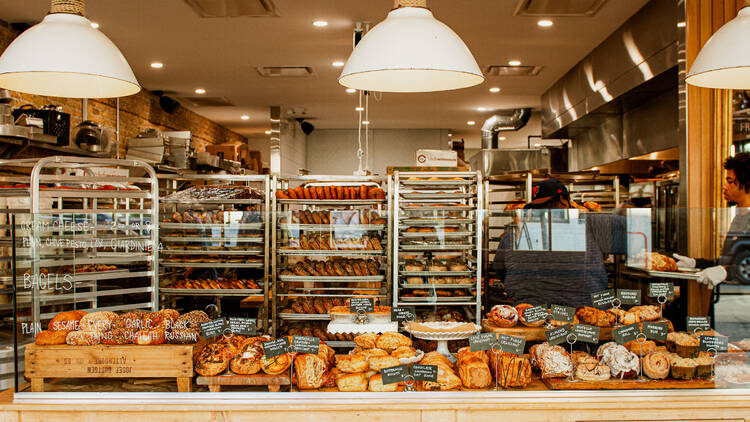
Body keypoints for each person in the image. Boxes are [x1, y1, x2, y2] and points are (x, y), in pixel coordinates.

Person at [492, 179, 627, 307]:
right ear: (563, 200)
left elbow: (500, 269)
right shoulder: (592, 224)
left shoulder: (514, 234)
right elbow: (639, 233)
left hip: (530, 316)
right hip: (584, 318)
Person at [673, 152, 750, 287]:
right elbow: (728, 262)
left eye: (730, 181)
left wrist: (726, 272)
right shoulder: (739, 217)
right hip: (725, 301)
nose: (724, 186)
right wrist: (696, 263)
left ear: (746, 183)